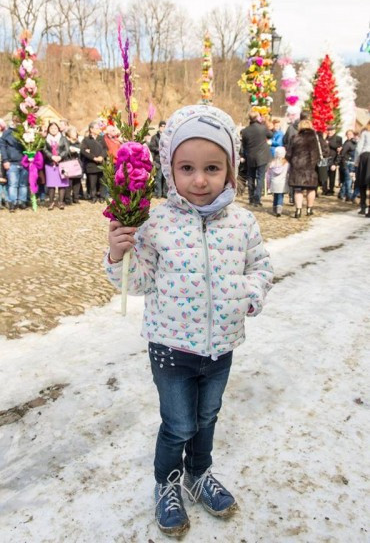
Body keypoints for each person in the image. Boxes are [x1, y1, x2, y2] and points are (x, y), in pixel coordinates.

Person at [104, 105, 274, 537]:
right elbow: (138, 282)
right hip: (171, 348)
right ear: (170, 170)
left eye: (212, 168)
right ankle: (168, 483)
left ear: (230, 170)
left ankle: (199, 474)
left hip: (221, 346)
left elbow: (261, 268)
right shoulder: (156, 222)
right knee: (178, 423)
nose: (200, 179)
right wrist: (119, 254)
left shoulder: (242, 221)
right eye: (187, 168)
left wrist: (249, 295)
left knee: (208, 417)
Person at [286, 119, 329, 218]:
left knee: (298, 189)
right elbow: (326, 151)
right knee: (311, 189)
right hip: (312, 168)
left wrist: (293, 161)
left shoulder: (295, 138)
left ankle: (298, 210)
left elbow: (288, 154)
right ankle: (309, 209)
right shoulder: (317, 138)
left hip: (297, 168)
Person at [240, 110, 272, 206]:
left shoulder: (245, 131)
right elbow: (271, 135)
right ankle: (257, 199)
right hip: (262, 156)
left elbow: (244, 144)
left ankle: (251, 198)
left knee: (251, 177)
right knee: (260, 177)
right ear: (257, 118)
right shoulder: (262, 128)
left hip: (250, 156)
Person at [0, 116, 29, 212]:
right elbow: (3, 147)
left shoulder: (25, 132)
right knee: (13, 184)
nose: (17, 122)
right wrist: (5, 160)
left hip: (24, 162)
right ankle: (12, 202)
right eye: (15, 120)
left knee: (23, 184)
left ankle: (22, 201)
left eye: (19, 120)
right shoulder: (7, 133)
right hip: (11, 162)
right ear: (12, 121)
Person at [43, 122, 70, 210]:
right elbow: (44, 149)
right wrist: (52, 156)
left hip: (62, 163)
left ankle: (61, 202)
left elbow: (66, 149)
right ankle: (51, 202)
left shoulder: (63, 138)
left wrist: (60, 156)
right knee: (51, 184)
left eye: (55, 128)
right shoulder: (46, 139)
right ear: (48, 130)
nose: (53, 130)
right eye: (51, 128)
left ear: (58, 129)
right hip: (50, 163)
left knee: (62, 183)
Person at [80, 120, 107, 203]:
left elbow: (105, 149)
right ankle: (93, 196)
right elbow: (83, 151)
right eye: (96, 128)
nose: (98, 129)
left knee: (102, 182)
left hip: (101, 163)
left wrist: (102, 156)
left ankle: (102, 196)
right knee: (92, 182)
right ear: (91, 129)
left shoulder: (101, 138)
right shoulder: (86, 140)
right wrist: (94, 158)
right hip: (91, 164)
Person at [266, 146, 289, 217]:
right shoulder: (286, 164)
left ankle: (274, 208)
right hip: (282, 183)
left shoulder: (272, 163)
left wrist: (268, 184)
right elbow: (289, 172)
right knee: (280, 196)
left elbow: (268, 175)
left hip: (274, 183)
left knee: (275, 196)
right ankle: (279, 210)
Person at [355, 121, 370, 216]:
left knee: (362, 183)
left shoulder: (365, 133)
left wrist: (356, 161)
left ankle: (363, 207)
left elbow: (358, 148)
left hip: (365, 157)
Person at [64, 126, 83, 204]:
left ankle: (76, 197)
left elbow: (82, 152)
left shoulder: (79, 143)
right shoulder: (65, 142)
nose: (75, 134)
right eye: (73, 133)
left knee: (77, 182)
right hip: (68, 164)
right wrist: (70, 151)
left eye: (76, 133)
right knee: (69, 182)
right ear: (69, 134)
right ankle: (67, 198)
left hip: (77, 164)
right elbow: (64, 152)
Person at [149, 120, 168, 198]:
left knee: (166, 177)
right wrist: (159, 149)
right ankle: (158, 193)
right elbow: (151, 146)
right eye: (161, 126)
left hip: (166, 160)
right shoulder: (155, 137)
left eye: (164, 126)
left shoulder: (168, 136)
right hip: (158, 160)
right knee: (158, 177)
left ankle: (165, 193)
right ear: (159, 127)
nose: (163, 128)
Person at [338, 130, 357, 202]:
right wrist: (340, 163)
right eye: (348, 134)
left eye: (350, 134)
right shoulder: (347, 143)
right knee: (349, 180)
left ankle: (341, 194)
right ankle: (349, 196)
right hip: (346, 163)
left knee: (347, 180)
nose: (349, 135)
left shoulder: (355, 143)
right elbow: (342, 154)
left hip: (353, 163)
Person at [325, 124, 342, 195]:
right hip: (325, 158)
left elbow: (338, 148)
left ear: (334, 131)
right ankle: (325, 189)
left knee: (332, 175)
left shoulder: (338, 138)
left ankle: (331, 190)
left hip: (333, 159)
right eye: (329, 130)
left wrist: (336, 163)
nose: (330, 132)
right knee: (324, 175)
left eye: (331, 130)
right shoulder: (325, 137)